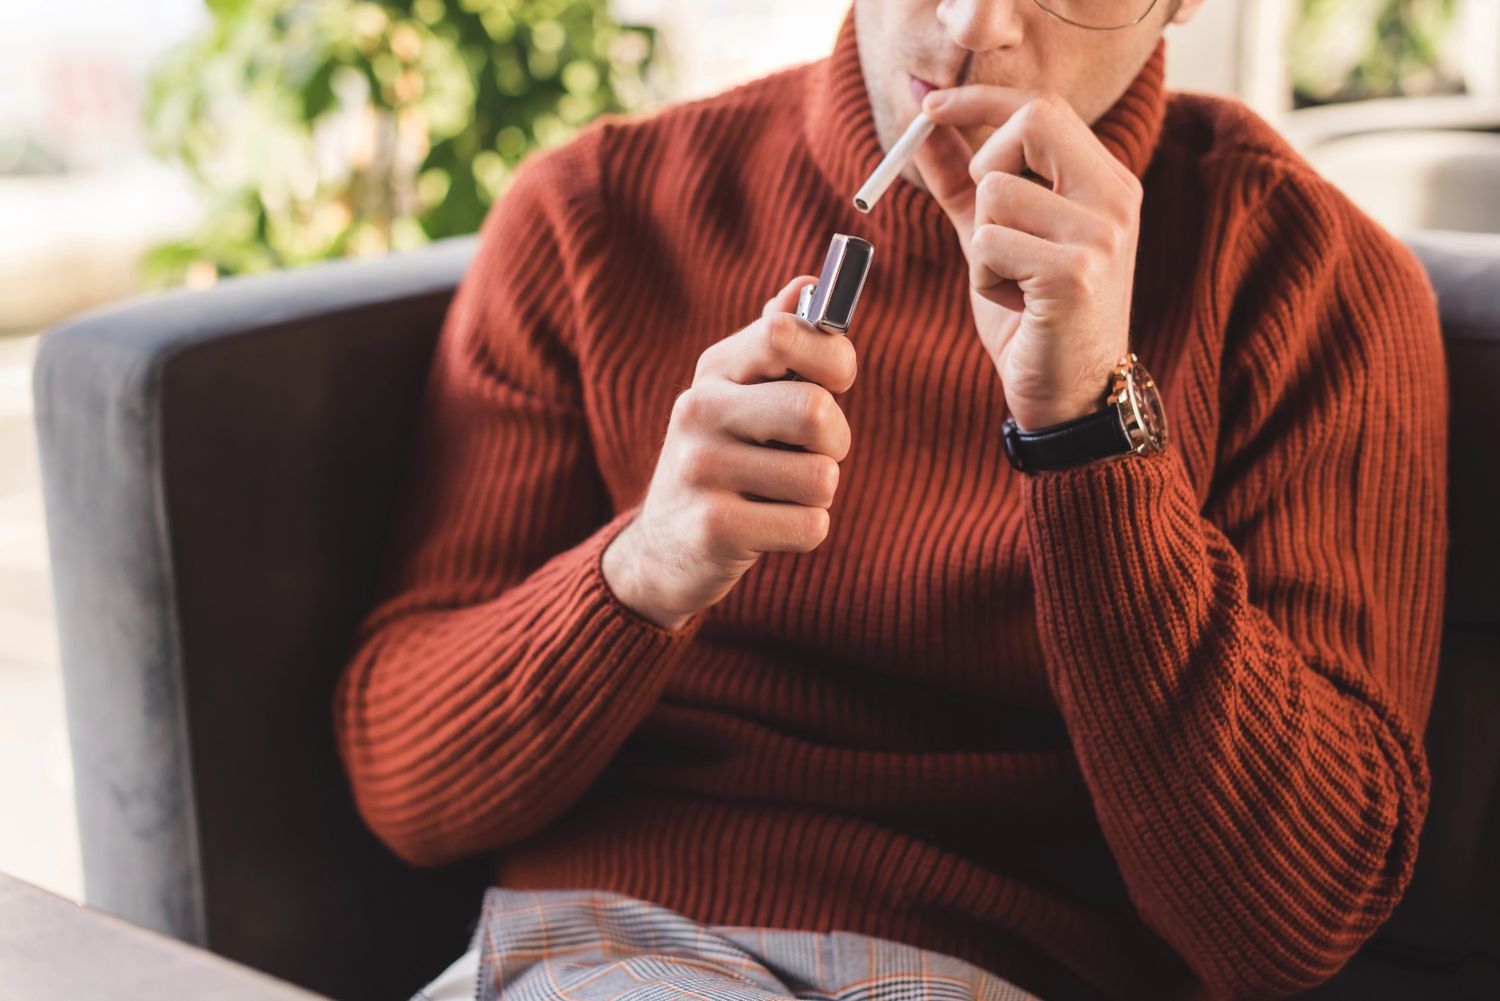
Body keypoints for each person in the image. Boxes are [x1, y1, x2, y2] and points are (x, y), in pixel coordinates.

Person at [333, 1, 1449, 999]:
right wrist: (640, 572)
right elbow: (407, 788)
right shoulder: (596, 213)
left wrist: (1089, 435)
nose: (973, 27)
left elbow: (1293, 925)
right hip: (609, 948)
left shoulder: (1312, 282)